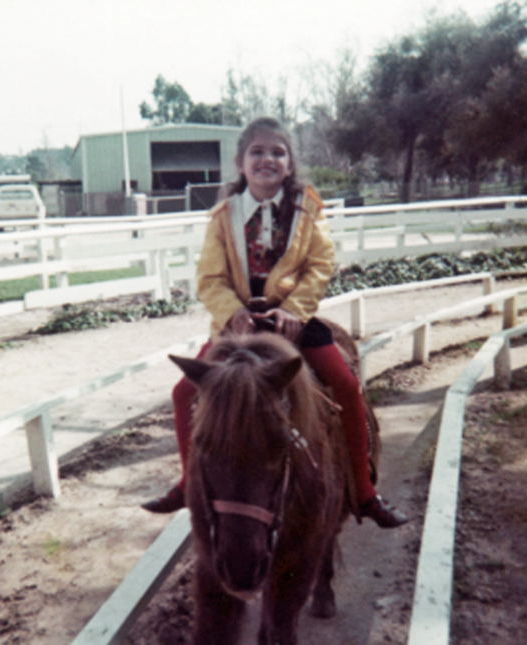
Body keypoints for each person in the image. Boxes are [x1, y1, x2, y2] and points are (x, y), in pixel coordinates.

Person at [142, 117, 408, 528]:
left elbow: (320, 265)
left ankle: (364, 490)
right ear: (240, 163)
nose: (268, 159)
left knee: (345, 385)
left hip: (290, 319)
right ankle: (187, 483)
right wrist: (232, 311)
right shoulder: (222, 217)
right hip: (238, 323)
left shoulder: (308, 210)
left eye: (278, 152)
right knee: (182, 394)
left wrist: (294, 311)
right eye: (258, 152)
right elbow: (209, 278)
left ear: (289, 163)